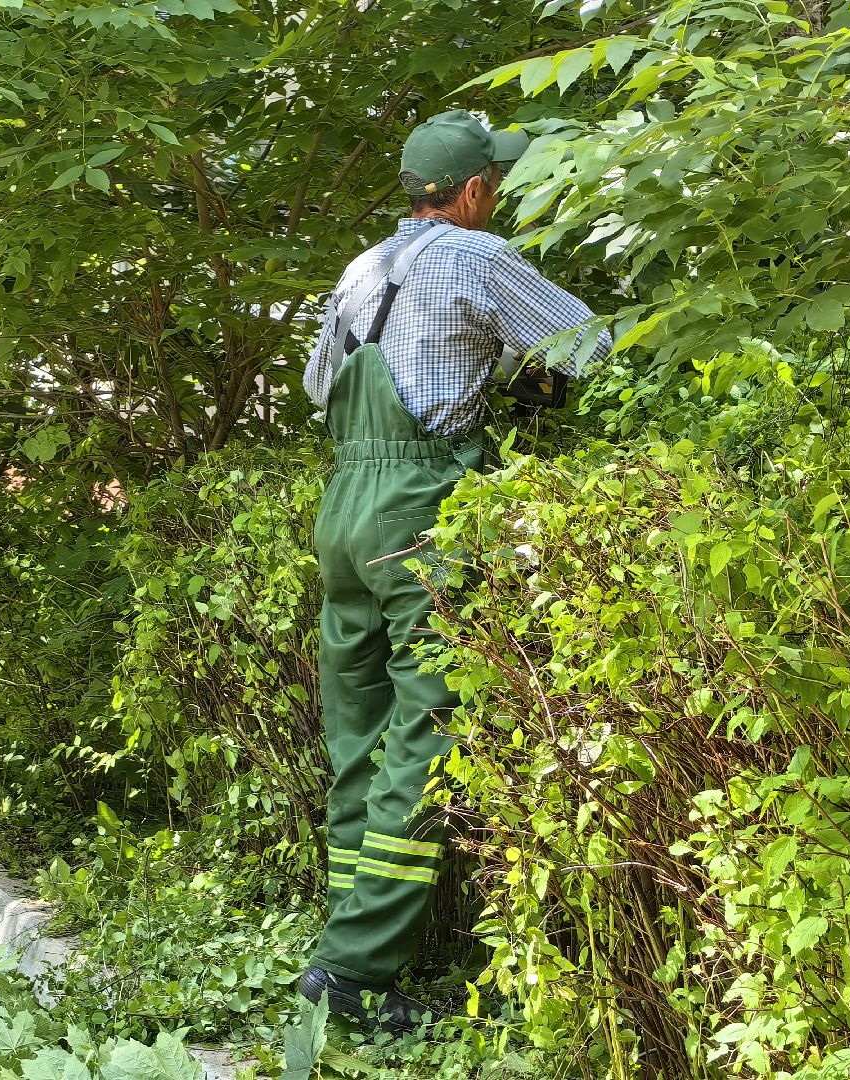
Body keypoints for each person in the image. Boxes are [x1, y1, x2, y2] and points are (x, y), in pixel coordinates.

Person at [296, 110, 613, 1033]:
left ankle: (345, 938)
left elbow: (323, 388)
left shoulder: (359, 270)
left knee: (356, 732)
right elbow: (586, 345)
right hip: (419, 509)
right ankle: (353, 973)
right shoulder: (479, 258)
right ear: (472, 190)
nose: (499, 196)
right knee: (427, 730)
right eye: (496, 183)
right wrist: (521, 380)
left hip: (342, 511)